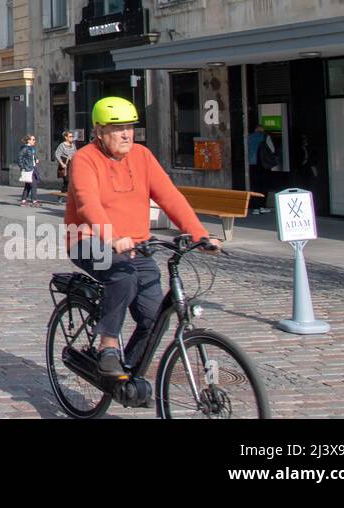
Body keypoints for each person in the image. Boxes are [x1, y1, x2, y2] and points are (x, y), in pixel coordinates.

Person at [66, 97, 218, 378]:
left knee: (154, 317)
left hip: (137, 245)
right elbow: (88, 203)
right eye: (117, 127)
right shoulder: (84, 158)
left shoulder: (142, 156)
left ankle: (127, 378)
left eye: (130, 127)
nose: (126, 134)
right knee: (122, 276)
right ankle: (107, 346)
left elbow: (169, 196)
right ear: (99, 131)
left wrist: (199, 234)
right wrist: (111, 236)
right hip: (89, 240)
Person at [18, 135, 40, 207]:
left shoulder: (31, 148)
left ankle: (23, 201)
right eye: (33, 139)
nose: (34, 141)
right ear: (28, 140)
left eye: (34, 139)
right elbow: (19, 158)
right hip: (28, 169)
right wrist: (23, 167)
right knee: (34, 185)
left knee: (28, 185)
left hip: (33, 168)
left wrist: (35, 160)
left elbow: (31, 157)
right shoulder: (25, 148)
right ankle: (34, 201)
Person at [55, 131, 77, 195]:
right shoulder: (62, 145)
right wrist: (62, 163)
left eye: (72, 136)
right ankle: (65, 192)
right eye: (70, 136)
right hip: (65, 164)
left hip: (72, 163)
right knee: (67, 180)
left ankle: (66, 192)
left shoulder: (73, 145)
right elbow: (57, 154)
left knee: (72, 179)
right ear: (66, 137)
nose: (72, 138)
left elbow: (75, 153)